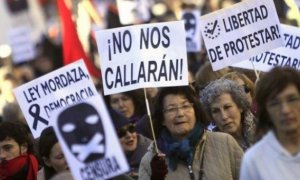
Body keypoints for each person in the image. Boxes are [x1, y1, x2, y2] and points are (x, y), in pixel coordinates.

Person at [139, 86, 243, 180]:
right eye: (171, 109)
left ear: (195, 110)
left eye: (185, 106)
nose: (180, 114)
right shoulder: (150, 160)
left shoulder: (224, 142)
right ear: (162, 119)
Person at [240, 67, 300, 180]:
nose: (285, 110)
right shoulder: (254, 160)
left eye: (292, 99)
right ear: (266, 111)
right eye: (275, 103)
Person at [200, 79, 256, 151]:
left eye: (227, 107)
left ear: (240, 106)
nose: (224, 116)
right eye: (216, 111)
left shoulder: (263, 129)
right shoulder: (211, 147)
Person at [112, 115, 152, 180]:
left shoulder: (152, 153)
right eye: (121, 133)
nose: (129, 135)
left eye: (131, 129)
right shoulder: (106, 160)